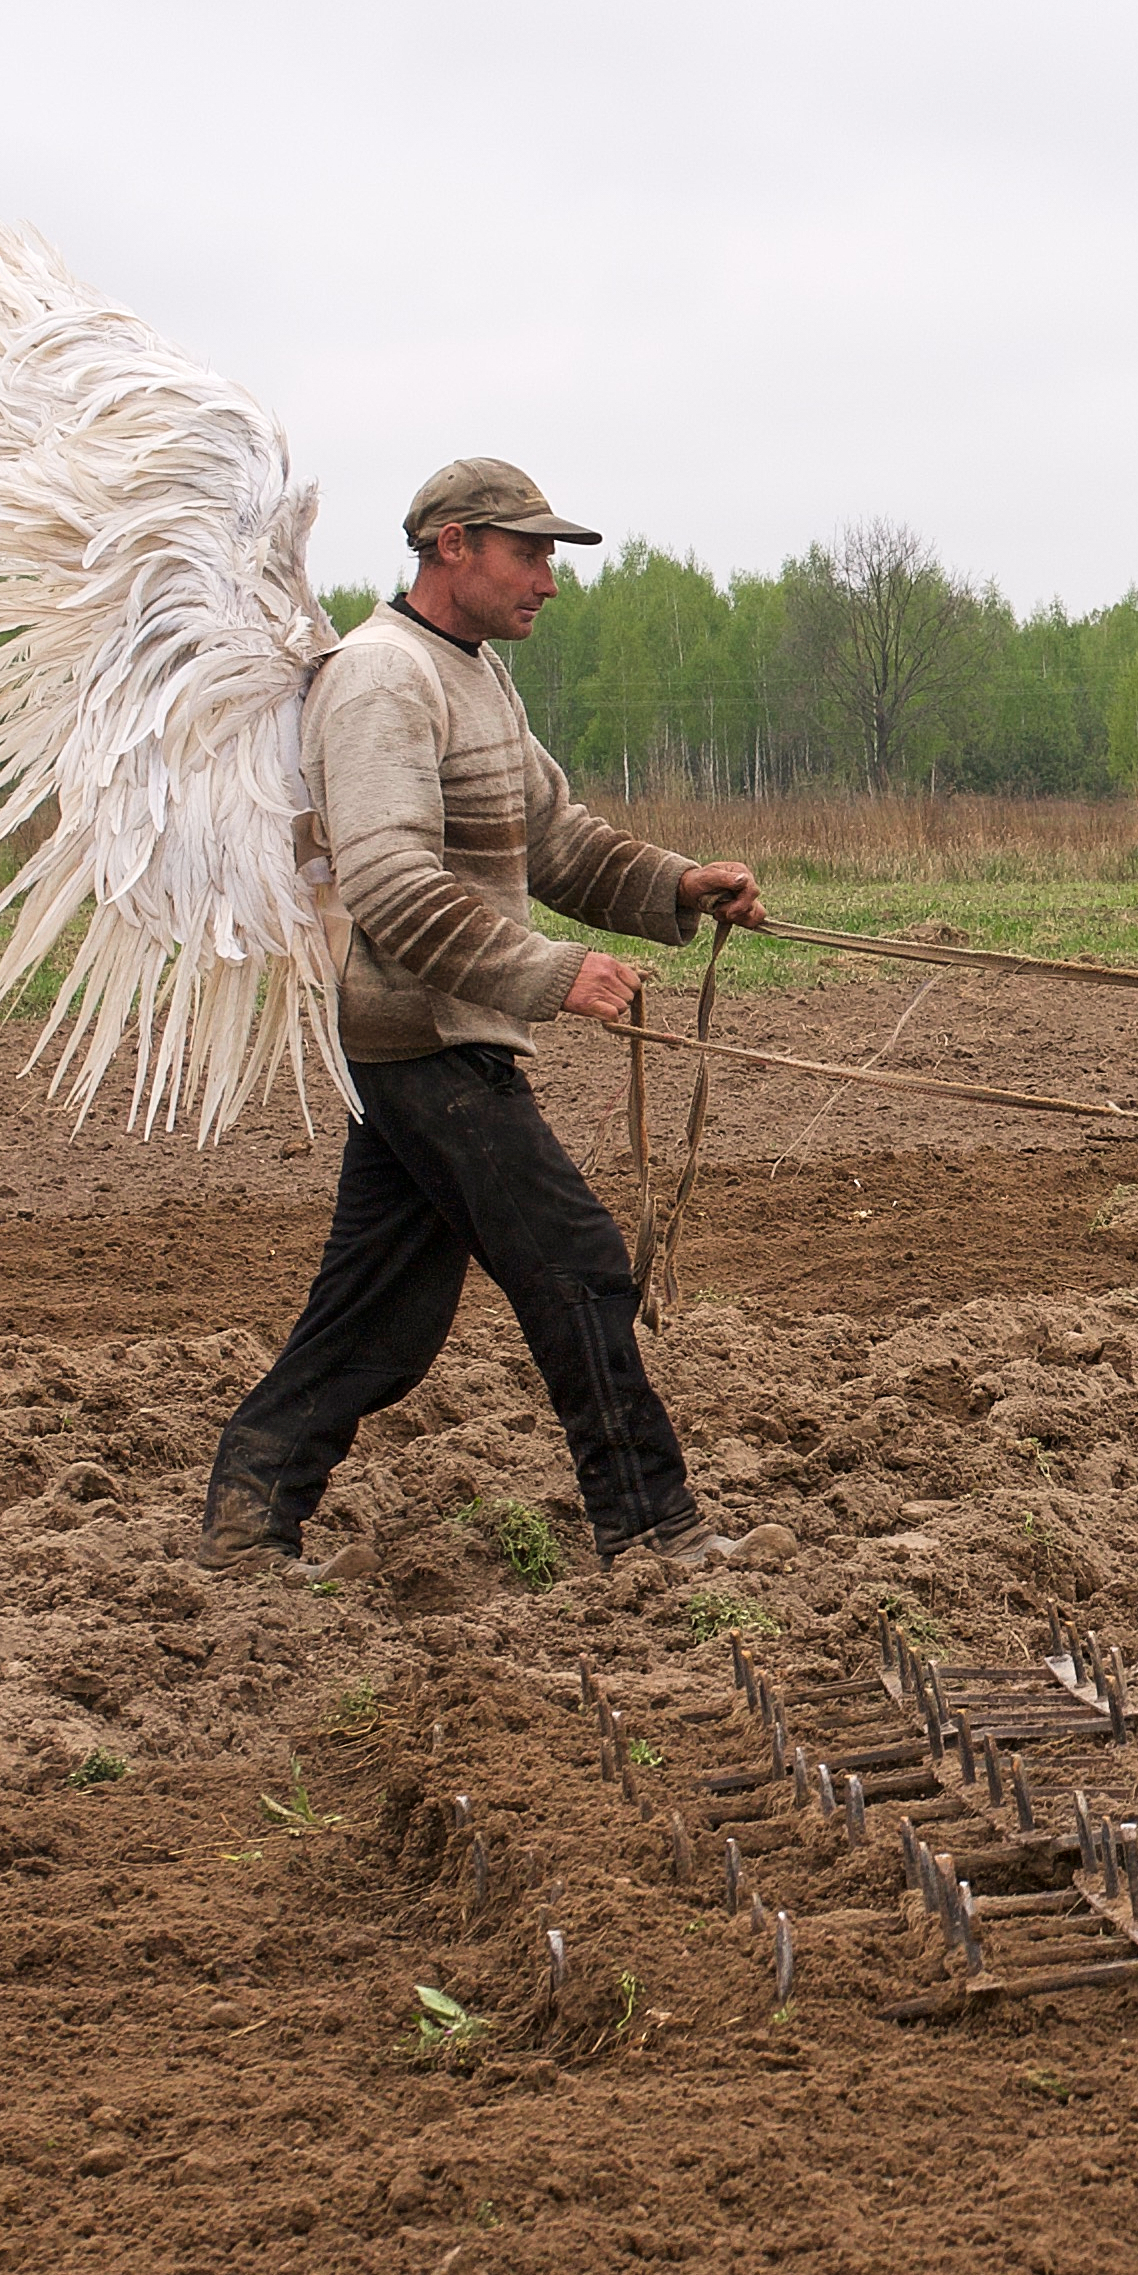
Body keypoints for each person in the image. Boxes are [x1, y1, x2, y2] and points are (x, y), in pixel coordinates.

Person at [197, 457, 769, 1570]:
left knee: (381, 1317)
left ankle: (249, 1520)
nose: (548, 579)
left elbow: (552, 837)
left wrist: (677, 886)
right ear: (451, 545)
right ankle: (652, 1529)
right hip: (423, 1041)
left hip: (436, 1038)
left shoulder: (472, 673)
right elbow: (390, 884)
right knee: (577, 1262)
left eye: (551, 556)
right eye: (529, 553)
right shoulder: (381, 678)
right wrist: (553, 973)